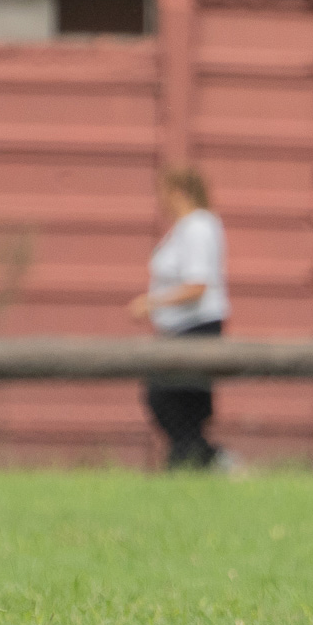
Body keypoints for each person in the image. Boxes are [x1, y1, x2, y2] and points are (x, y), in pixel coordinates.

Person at [129, 166, 231, 470]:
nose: (161, 200)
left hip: (195, 327)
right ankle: (196, 461)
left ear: (180, 192)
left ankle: (206, 459)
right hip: (178, 328)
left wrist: (151, 302)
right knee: (181, 401)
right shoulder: (185, 228)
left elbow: (197, 285)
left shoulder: (198, 227)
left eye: (165, 192)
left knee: (165, 395)